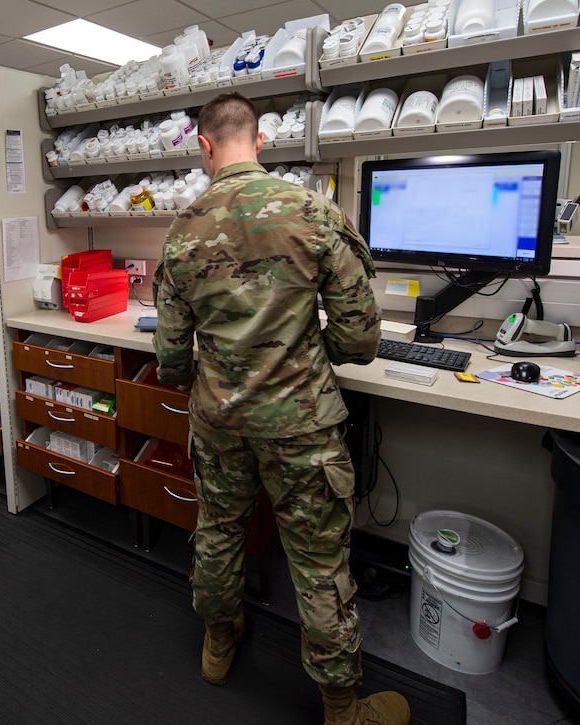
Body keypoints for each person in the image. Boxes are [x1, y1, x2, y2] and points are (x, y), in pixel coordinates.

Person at [152, 93, 408, 725]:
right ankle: (343, 709)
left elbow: (172, 360)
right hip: (301, 426)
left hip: (218, 424)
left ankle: (219, 644)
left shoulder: (183, 230)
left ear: (205, 147)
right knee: (319, 562)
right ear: (260, 141)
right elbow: (359, 342)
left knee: (218, 534)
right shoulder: (314, 212)